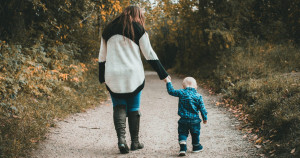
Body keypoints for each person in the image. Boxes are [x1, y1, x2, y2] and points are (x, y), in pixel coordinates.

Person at [98, 6, 169, 154]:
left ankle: (121, 140)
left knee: (119, 106)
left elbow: (102, 56)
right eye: (140, 16)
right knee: (133, 107)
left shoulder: (108, 29)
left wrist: (101, 76)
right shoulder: (137, 28)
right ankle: (135, 142)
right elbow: (149, 53)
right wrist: (163, 74)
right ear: (136, 15)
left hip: (113, 74)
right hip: (133, 75)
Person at [165, 76, 208, 156]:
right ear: (196, 87)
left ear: (183, 86)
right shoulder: (198, 96)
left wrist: (168, 81)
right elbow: (203, 109)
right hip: (195, 120)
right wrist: (204, 118)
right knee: (195, 133)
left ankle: (183, 148)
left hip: (183, 120)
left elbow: (171, 91)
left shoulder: (181, 92)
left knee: (182, 133)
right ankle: (196, 146)